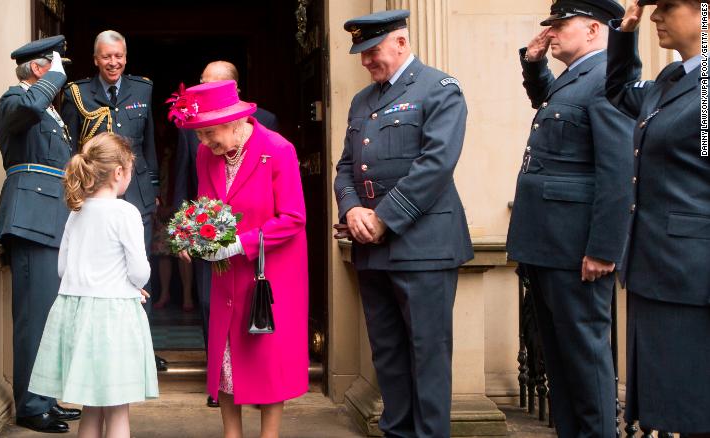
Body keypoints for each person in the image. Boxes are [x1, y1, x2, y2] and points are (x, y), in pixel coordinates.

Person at [333, 10, 473, 437]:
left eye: (372, 51)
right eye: (361, 53)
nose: (365, 61)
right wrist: (352, 210)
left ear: (400, 41)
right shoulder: (362, 100)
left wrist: (383, 219)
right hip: (372, 250)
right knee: (388, 355)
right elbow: (344, 168)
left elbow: (436, 165)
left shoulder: (440, 89)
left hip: (424, 246)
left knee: (427, 356)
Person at [506, 0, 636, 436]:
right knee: (559, 365)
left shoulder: (607, 79)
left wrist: (603, 248)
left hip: (575, 250)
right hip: (547, 245)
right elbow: (549, 105)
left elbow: (618, 173)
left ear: (596, 30)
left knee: (584, 363)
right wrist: (533, 64)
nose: (553, 31)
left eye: (563, 24)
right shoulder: (576, 77)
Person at [171, 80, 308, 438]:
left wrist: (241, 244)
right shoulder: (207, 154)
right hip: (226, 272)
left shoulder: (278, 149)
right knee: (225, 356)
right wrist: (195, 236)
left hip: (270, 271)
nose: (204, 143)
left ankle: (269, 435)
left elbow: (294, 218)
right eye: (199, 135)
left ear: (234, 122)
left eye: (209, 133)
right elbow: (206, 207)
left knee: (266, 354)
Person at [606, 1, 709, 435]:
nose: (654, 16)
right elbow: (620, 92)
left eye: (667, 7)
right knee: (669, 410)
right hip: (658, 266)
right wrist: (624, 34)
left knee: (693, 408)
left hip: (691, 275)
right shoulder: (674, 78)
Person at [28, 132, 159, 438]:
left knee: (91, 407)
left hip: (76, 313)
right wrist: (132, 285)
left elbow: (63, 267)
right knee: (116, 409)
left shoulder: (77, 211)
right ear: (118, 173)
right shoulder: (126, 212)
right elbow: (139, 271)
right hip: (114, 316)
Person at [172, 60, 280, 408]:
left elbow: (289, 215)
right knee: (210, 307)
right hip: (211, 238)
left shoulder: (270, 136)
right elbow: (189, 181)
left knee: (253, 320)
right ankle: (219, 379)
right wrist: (186, 231)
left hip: (252, 247)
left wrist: (240, 242)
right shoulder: (202, 144)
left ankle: (255, 387)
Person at [61, 29, 166, 371]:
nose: (114, 62)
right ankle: (102, 352)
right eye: (107, 56)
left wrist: (153, 187)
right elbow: (71, 147)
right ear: (96, 60)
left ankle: (141, 351)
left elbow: (149, 142)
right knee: (103, 268)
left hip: (136, 190)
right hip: (96, 191)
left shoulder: (143, 88)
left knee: (140, 271)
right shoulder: (78, 93)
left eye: (119, 56)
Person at [0, 35, 81, 433]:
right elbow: (27, 108)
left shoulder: (48, 109)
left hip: (52, 220)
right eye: (56, 66)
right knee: (33, 317)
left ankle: (45, 396)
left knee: (51, 317)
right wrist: (54, 79)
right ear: (39, 69)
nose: (62, 75)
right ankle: (30, 405)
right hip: (30, 220)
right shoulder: (15, 100)